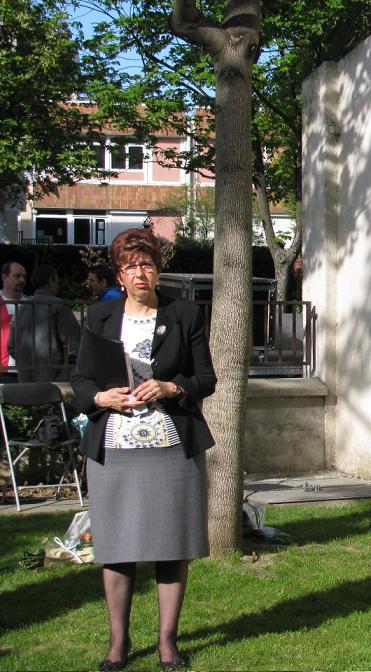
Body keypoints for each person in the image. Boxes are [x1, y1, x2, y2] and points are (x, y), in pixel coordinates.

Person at [72, 228, 217, 672]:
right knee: (117, 547)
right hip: (114, 448)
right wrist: (101, 399)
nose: (141, 273)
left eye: (148, 264)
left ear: (158, 269)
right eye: (131, 265)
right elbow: (80, 382)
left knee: (172, 545)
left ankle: (167, 642)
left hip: (171, 448)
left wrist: (172, 386)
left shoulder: (185, 314)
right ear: (119, 272)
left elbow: (206, 379)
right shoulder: (98, 317)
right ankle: (118, 643)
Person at [8, 265, 81, 382]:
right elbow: (75, 343)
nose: (58, 284)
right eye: (56, 280)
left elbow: (11, 347)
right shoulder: (58, 306)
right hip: (53, 379)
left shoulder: (20, 309)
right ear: (50, 281)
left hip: (24, 379)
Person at [0, 261, 28, 384]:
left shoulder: (31, 303)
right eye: (17, 276)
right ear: (4, 277)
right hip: (2, 370)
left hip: (28, 370)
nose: (22, 280)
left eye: (24, 277)